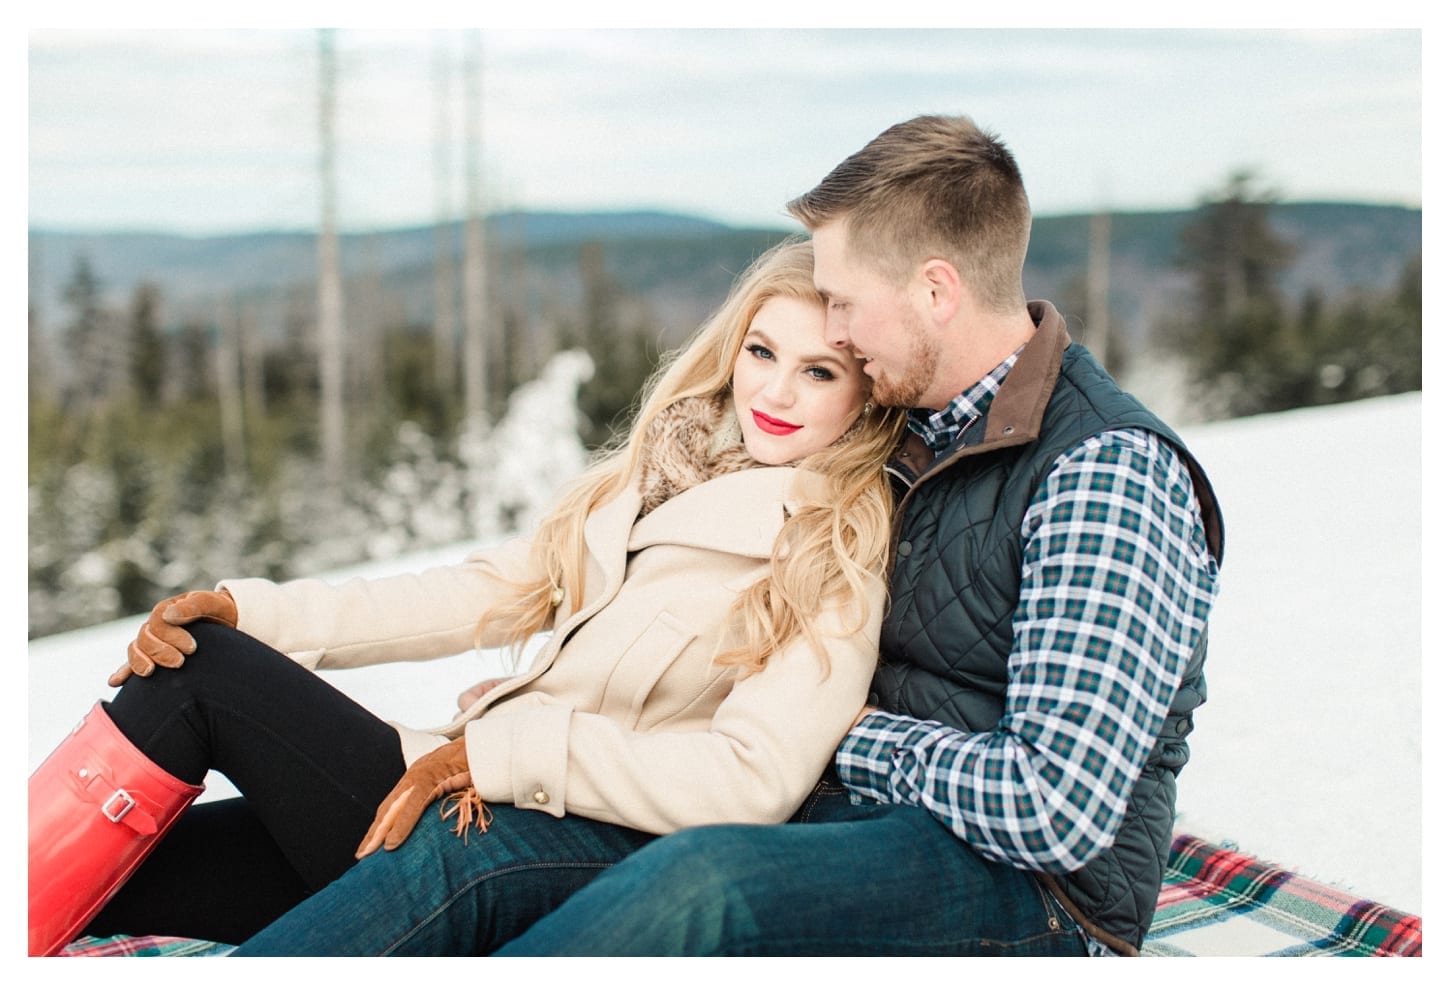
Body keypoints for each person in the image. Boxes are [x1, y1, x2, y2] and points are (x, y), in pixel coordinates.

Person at [27, 238, 907, 957]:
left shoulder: (831, 552)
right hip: (437, 786)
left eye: (820, 372)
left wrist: (504, 751)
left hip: (520, 840)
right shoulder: (657, 475)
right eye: (762, 351)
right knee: (127, 867)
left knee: (199, 676)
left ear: (864, 397)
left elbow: (750, 778)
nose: (777, 391)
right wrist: (255, 613)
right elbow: (476, 592)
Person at [479, 114, 1227, 956]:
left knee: (702, 884)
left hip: (1035, 900)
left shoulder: (1104, 472)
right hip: (849, 821)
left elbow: (1052, 810)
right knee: (503, 845)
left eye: (842, 301)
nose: (833, 329)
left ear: (935, 292)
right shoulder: (907, 427)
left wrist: (837, 732)